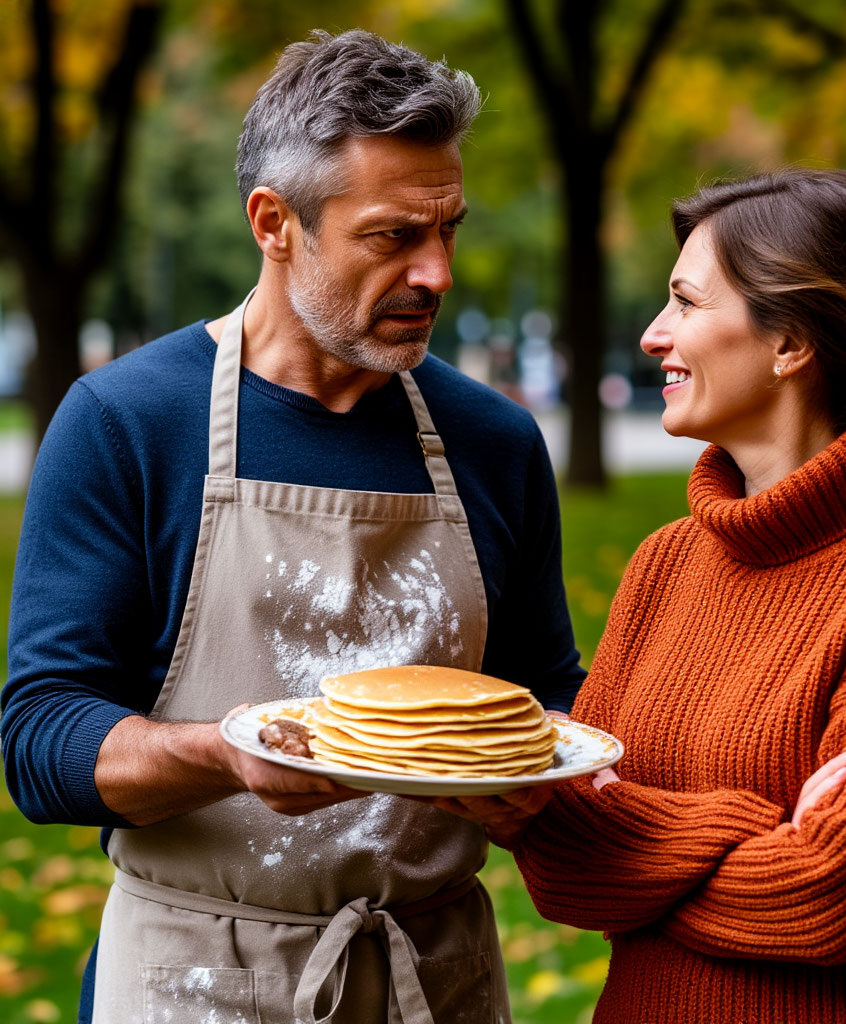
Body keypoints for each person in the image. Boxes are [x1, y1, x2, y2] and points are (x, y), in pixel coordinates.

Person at [1, 29, 584, 1024]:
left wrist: (535, 786)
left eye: (449, 229)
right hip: (193, 978)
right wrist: (227, 754)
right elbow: (41, 736)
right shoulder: (129, 423)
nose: (437, 272)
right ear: (274, 223)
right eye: (393, 236)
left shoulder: (494, 441)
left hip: (430, 976)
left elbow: (547, 702)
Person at [507, 168, 846, 1023]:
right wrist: (760, 829)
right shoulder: (664, 563)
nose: (653, 335)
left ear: (790, 343)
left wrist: (630, 823)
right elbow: (560, 866)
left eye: (687, 303)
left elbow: (828, 899)